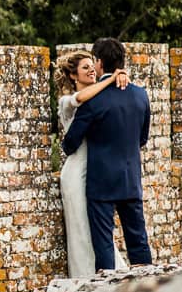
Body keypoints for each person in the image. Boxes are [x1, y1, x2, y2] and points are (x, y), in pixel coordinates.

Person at [62, 38, 154, 271]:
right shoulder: (141, 95)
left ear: (99, 62)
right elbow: (142, 139)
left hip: (100, 182)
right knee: (138, 241)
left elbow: (70, 143)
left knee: (103, 246)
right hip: (130, 177)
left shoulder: (93, 102)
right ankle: (148, 288)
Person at [55, 50, 129, 277]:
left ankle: (106, 271)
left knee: (99, 227)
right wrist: (110, 79)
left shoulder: (99, 97)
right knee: (81, 227)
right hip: (76, 172)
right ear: (72, 75)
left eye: (91, 66)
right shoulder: (66, 102)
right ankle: (84, 276)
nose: (91, 71)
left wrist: (122, 77)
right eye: (84, 67)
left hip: (97, 168)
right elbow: (80, 99)